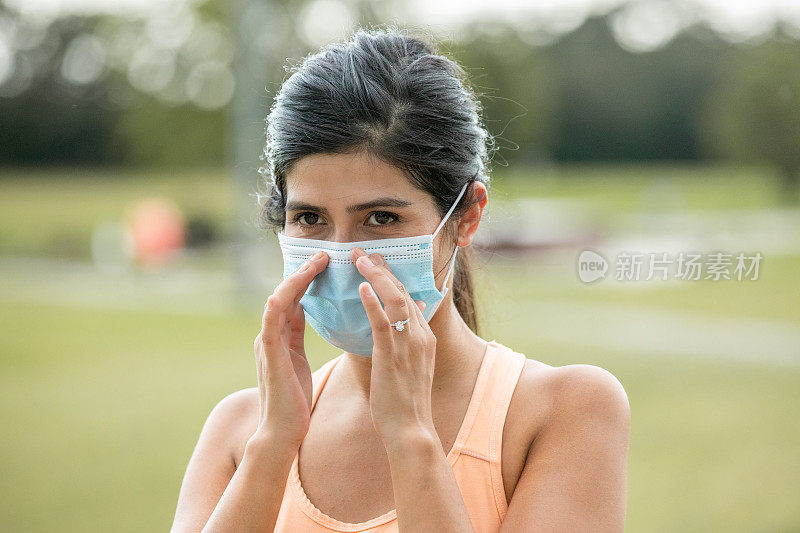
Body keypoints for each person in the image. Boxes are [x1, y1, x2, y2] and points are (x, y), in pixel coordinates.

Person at [171, 26, 630, 533]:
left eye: (381, 218)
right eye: (309, 219)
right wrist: (273, 446)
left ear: (467, 216)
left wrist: (411, 437)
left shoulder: (563, 411)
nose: (341, 254)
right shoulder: (239, 429)